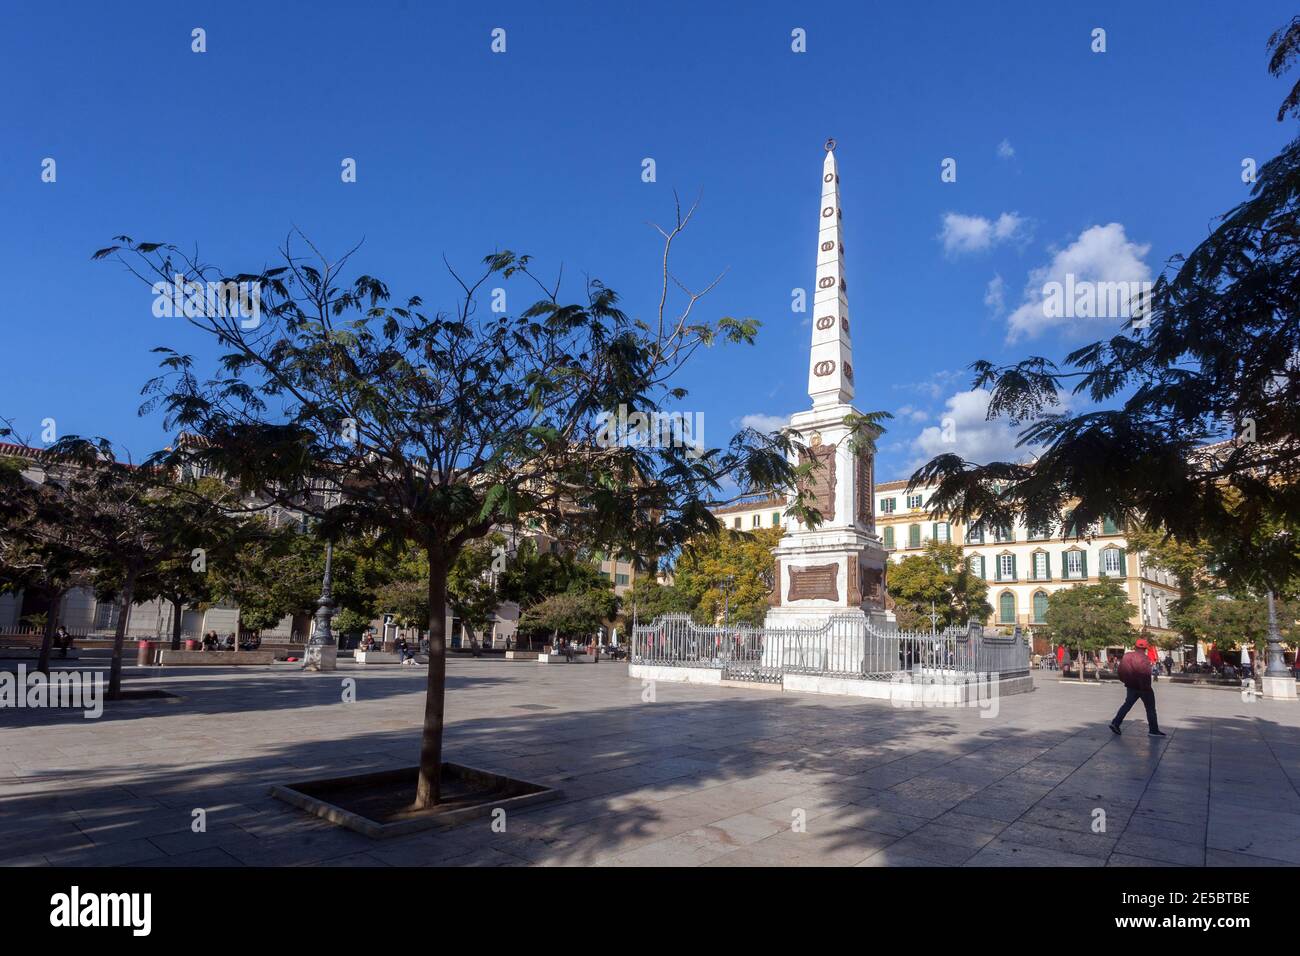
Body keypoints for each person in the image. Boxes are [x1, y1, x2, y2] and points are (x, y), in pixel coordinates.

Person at [1109, 638, 1165, 736]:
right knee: (1150, 708)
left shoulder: (1127, 656)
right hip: (1143, 688)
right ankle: (1153, 730)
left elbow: (1120, 670)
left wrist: (1125, 681)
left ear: (1135, 646)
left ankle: (1115, 723)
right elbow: (1145, 674)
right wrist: (1146, 688)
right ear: (1146, 648)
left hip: (1131, 686)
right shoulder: (1145, 658)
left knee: (1127, 705)